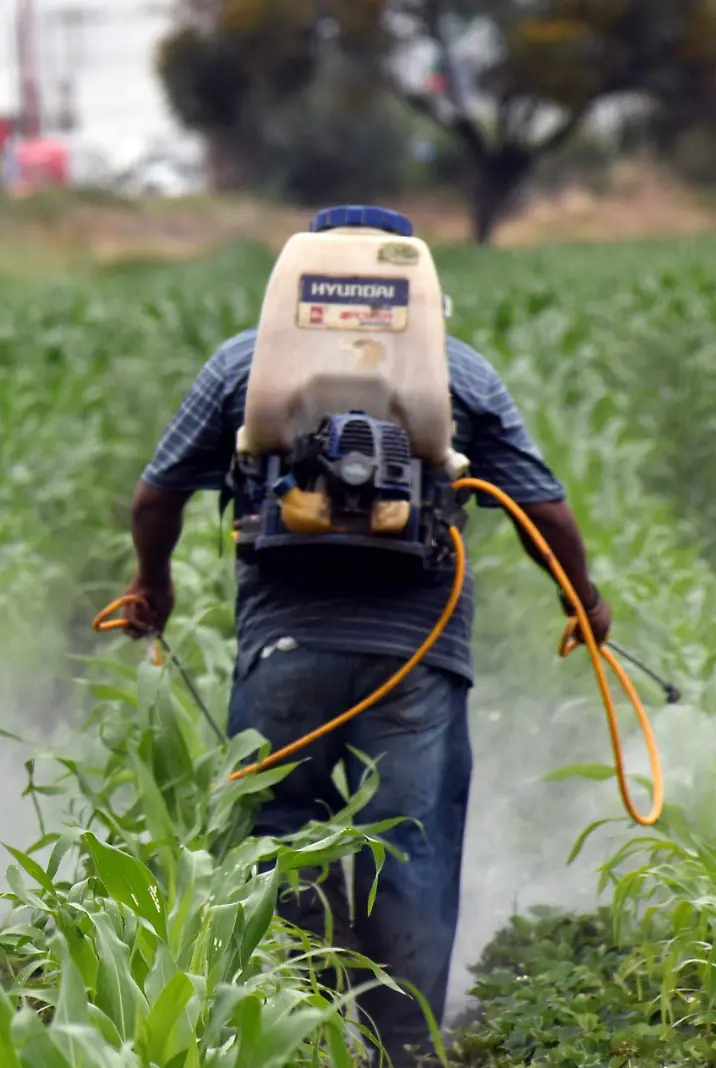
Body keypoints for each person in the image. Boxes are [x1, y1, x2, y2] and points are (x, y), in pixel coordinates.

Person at [117, 325, 611, 1064]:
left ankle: (300, 1034)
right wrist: (585, 600)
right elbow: (540, 507)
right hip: (417, 655)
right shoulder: (459, 369)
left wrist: (151, 584)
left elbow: (157, 496)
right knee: (411, 845)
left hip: (285, 649)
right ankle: (404, 1050)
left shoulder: (245, 363)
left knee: (280, 836)